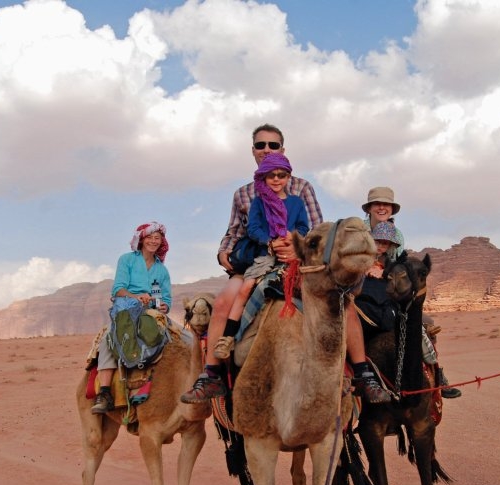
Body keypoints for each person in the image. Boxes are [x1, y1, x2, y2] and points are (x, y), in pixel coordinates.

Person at [180, 123, 390, 404]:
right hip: (255, 262)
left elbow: (317, 229)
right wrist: (224, 254)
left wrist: (297, 248)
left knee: (343, 304)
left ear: (283, 150)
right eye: (261, 145)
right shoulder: (244, 195)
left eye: (273, 145)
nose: (266, 150)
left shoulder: (301, 188)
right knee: (221, 305)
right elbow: (234, 233)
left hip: (299, 262)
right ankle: (211, 375)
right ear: (253, 150)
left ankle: (362, 373)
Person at [212, 152, 310, 360]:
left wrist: (293, 239)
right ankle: (228, 337)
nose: (276, 179)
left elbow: (304, 226)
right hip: (266, 253)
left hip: (293, 254)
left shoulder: (296, 203)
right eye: (271, 175)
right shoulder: (258, 202)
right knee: (245, 288)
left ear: (288, 177)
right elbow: (253, 228)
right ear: (263, 177)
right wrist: (270, 242)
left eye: (281, 175)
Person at [368, 218, 462, 399]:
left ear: (391, 245)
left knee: (424, 325)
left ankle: (437, 373)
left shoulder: (394, 262)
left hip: (390, 304)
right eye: (378, 241)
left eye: (385, 242)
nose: (381, 245)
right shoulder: (362, 260)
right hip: (368, 305)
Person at [91, 222, 172, 414]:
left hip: (152, 312)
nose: (153, 241)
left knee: (178, 338)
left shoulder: (162, 270)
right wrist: (137, 297)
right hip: (126, 308)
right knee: (109, 340)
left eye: (157, 238)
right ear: (142, 239)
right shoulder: (126, 260)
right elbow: (118, 289)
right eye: (150, 237)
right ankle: (104, 393)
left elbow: (167, 298)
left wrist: (164, 305)